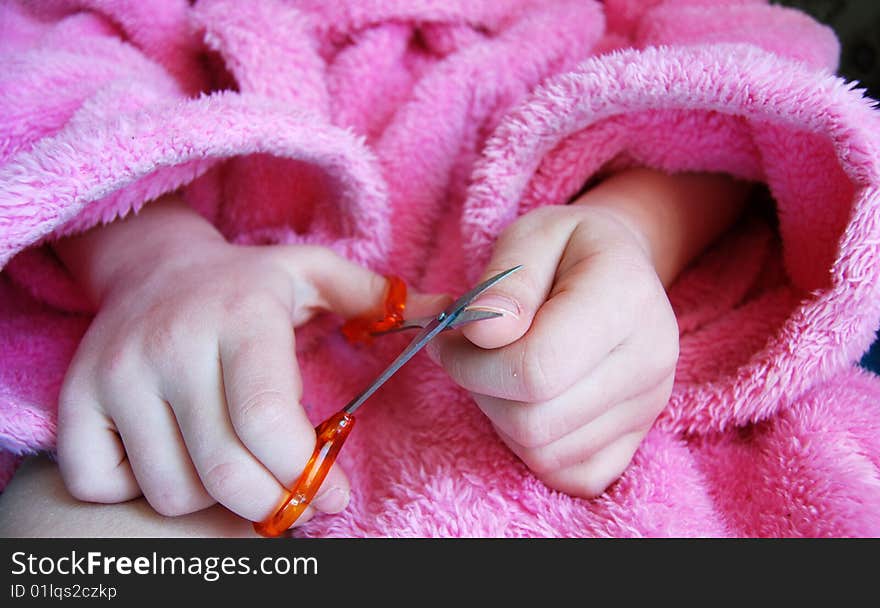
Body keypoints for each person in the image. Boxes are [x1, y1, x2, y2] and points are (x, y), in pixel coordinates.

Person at [1, 0, 879, 537]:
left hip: (610, 412)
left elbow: (745, 103)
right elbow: (42, 72)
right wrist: (155, 262)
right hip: (203, 403)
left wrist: (629, 234)